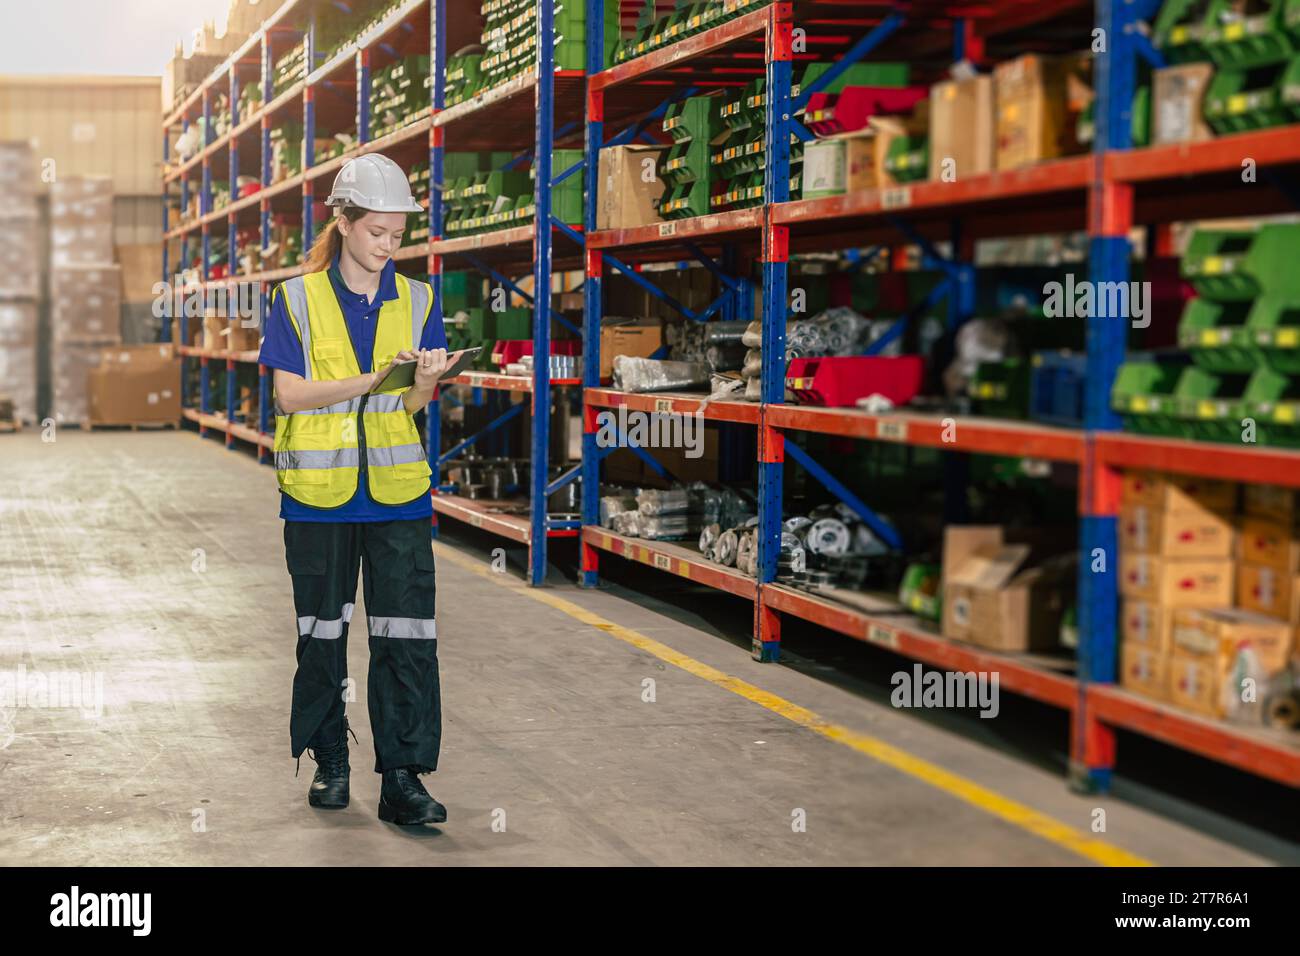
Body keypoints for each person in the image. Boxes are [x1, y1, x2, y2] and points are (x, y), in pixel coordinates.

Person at [257, 152, 457, 826]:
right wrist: (371, 379)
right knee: (322, 634)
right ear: (342, 222)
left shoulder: (420, 299)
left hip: (398, 494)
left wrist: (425, 378)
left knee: (407, 636)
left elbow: (411, 410)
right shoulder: (295, 299)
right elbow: (288, 396)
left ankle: (402, 779)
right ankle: (329, 758)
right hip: (318, 497)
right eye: (377, 232)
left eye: (398, 234)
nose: (388, 246)